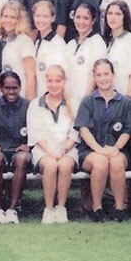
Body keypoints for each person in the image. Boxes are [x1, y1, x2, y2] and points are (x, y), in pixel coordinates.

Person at [72, 58, 131, 222]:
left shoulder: (126, 102)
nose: (103, 78)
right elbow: (83, 129)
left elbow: (127, 130)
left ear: (113, 75)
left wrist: (117, 147)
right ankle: (97, 208)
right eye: (99, 75)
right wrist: (98, 149)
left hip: (117, 149)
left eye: (106, 73)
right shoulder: (87, 101)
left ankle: (119, 208)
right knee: (100, 162)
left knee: (116, 162)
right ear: (94, 77)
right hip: (91, 151)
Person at [28, 63, 78, 224]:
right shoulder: (35, 104)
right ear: (45, 82)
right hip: (44, 151)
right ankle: (49, 209)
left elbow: (74, 133)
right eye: (50, 81)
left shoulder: (74, 104)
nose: (54, 85)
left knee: (64, 166)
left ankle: (61, 208)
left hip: (67, 150)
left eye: (58, 81)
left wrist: (63, 151)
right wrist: (50, 153)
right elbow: (36, 133)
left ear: (64, 81)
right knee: (50, 165)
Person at [0, 70, 32, 224]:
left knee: (22, 159)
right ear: (0, 88)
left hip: (19, 149)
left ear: (20, 87)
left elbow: (35, 130)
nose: (11, 92)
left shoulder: (28, 105)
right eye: (7, 88)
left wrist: (28, 144)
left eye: (14, 88)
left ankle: (12, 209)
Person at [65, 2, 107, 101]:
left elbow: (97, 75)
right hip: (69, 102)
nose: (81, 22)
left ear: (93, 20)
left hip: (87, 101)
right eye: (78, 17)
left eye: (86, 18)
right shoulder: (70, 44)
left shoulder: (97, 42)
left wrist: (85, 101)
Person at [0, 0, 36, 100]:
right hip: (2, 100)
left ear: (19, 20)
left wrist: (28, 103)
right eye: (5, 16)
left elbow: (31, 76)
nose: (8, 20)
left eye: (13, 17)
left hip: (19, 99)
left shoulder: (24, 41)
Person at [101, 0, 131, 99]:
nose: (113, 17)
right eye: (110, 13)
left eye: (118, 14)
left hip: (126, 100)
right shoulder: (107, 41)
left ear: (125, 17)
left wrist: (128, 100)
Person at [31, 0, 68, 96]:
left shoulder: (58, 44)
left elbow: (61, 76)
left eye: (45, 16)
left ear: (53, 18)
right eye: (38, 16)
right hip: (38, 97)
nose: (41, 20)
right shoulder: (37, 42)